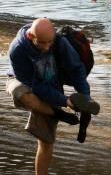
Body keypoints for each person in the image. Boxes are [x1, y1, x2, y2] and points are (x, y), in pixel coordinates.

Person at [6, 18, 100, 175]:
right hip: (22, 80)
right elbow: (36, 87)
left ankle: (77, 117)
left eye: (50, 42)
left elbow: (76, 69)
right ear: (31, 37)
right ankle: (60, 114)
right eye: (42, 43)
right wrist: (65, 101)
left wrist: (85, 99)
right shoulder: (17, 50)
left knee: (46, 141)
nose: (47, 47)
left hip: (51, 81)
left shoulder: (59, 41)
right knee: (24, 95)